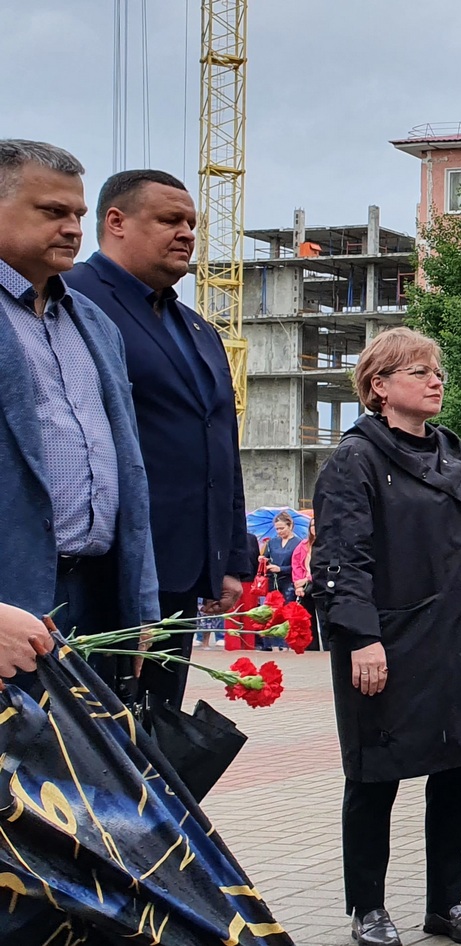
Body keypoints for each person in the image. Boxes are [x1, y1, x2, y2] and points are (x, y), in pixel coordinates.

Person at [308, 326, 461, 946]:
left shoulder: (455, 452)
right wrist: (362, 637)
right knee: (375, 777)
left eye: (436, 370)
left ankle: (447, 904)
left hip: (460, 639)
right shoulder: (355, 459)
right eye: (419, 372)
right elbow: (340, 558)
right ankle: (368, 908)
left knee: (458, 769)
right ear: (380, 387)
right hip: (389, 643)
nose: (436, 380)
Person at [68, 167, 255, 707]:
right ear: (116, 221)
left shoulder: (197, 327)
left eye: (192, 223)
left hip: (182, 567)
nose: (188, 233)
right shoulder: (73, 300)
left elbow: (220, 443)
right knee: (94, 727)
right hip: (106, 565)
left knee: (155, 722)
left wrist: (231, 557)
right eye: (170, 219)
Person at [0, 140, 159, 695]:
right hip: (10, 607)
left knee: (75, 779)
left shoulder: (92, 323)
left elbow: (129, 471)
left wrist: (140, 605)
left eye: (77, 214)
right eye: (51, 212)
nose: (72, 227)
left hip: (95, 599)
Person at [265, 512, 304, 605]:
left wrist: (281, 569)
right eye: (277, 529)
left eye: (282, 528)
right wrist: (263, 560)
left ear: (290, 526)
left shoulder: (300, 543)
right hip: (273, 582)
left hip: (290, 582)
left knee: (288, 610)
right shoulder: (272, 542)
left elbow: (300, 566)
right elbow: (267, 557)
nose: (279, 531)